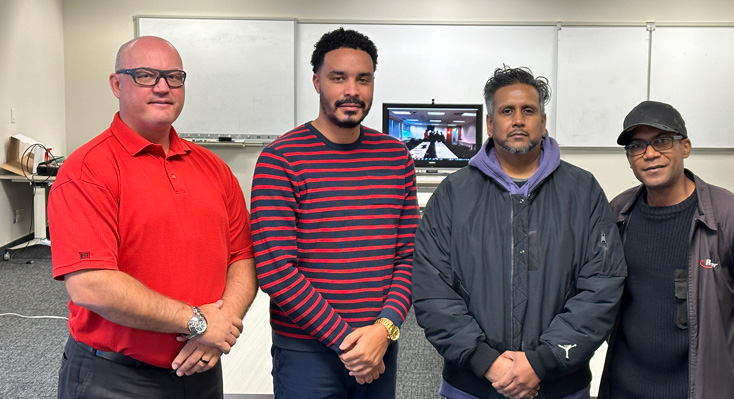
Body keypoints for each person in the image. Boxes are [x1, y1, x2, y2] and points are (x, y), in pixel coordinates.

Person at [49, 36, 257, 398]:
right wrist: (197, 322)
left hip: (202, 369)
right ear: (117, 84)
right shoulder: (87, 170)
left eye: (174, 77)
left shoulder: (215, 170)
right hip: (115, 378)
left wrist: (218, 329)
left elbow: (244, 257)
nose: (162, 87)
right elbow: (91, 284)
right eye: (145, 75)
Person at [412, 66, 627, 399]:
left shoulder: (582, 191)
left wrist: (542, 362)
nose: (518, 120)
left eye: (528, 111)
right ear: (489, 123)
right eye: (506, 111)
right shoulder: (453, 195)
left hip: (560, 383)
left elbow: (602, 284)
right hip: (471, 383)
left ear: (542, 122)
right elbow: (432, 288)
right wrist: (486, 361)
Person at [250, 28, 419, 398]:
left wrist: (384, 329)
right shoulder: (281, 159)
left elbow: (409, 257)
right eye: (338, 78)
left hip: (379, 347)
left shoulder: (396, 158)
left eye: (363, 79)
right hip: (308, 353)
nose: (352, 91)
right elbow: (276, 271)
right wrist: (349, 343)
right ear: (316, 81)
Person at [599, 100, 734, 399]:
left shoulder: (731, 217)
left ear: (685, 147)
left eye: (661, 141)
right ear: (629, 157)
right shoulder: (618, 213)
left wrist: (724, 358)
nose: (650, 154)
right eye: (637, 146)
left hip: (694, 388)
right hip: (624, 383)